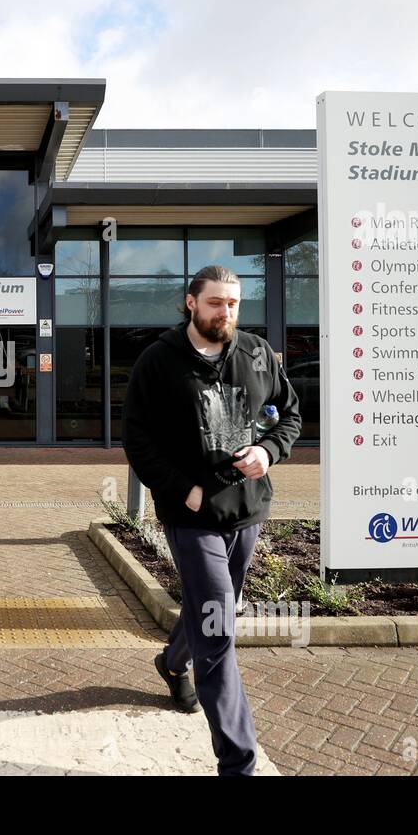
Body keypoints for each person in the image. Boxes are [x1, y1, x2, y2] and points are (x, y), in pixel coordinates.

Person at [122, 263, 301, 776]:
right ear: (190, 303)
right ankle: (239, 764)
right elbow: (139, 442)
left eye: (235, 303)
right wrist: (187, 491)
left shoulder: (256, 354)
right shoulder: (157, 363)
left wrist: (268, 451)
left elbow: (289, 414)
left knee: (216, 607)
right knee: (220, 621)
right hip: (191, 513)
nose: (227, 312)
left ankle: (173, 661)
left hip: (248, 511)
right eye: (217, 302)